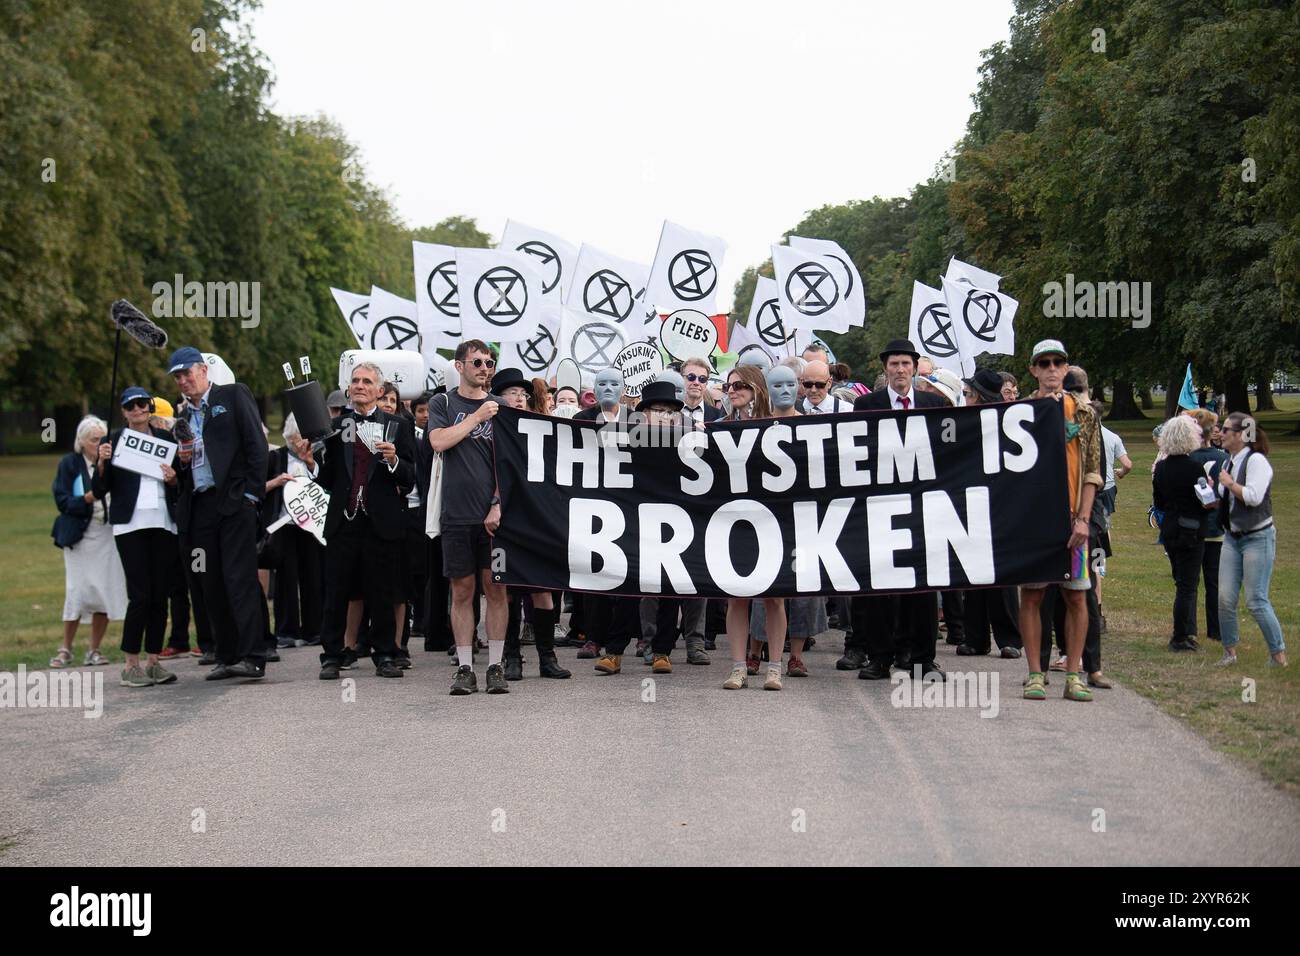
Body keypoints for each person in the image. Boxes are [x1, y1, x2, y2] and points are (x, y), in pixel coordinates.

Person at [295, 361, 414, 681]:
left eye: (367, 381)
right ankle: (332, 655)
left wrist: (394, 461)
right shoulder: (335, 427)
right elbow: (329, 479)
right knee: (336, 592)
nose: (360, 386)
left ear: (379, 390)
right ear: (349, 389)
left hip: (382, 522)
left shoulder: (397, 426)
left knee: (382, 593)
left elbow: (412, 478)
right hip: (343, 521)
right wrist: (310, 463)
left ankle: (386, 654)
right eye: (355, 381)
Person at [168, 346, 269, 682]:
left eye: (187, 373)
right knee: (209, 583)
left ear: (203, 370)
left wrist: (252, 495)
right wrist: (180, 465)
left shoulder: (232, 395)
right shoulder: (181, 419)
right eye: (178, 377)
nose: (183, 381)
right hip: (199, 506)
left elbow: (256, 445)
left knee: (239, 578)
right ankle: (226, 655)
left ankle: (254, 655)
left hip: (234, 501)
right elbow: (182, 467)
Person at [849, 339, 946, 681]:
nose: (900, 370)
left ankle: (922, 659)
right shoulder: (866, 406)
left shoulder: (935, 406)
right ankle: (879, 658)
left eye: (905, 364)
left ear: (915, 367)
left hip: (924, 509)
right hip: (881, 508)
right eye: (894, 365)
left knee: (923, 587)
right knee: (881, 589)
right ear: (885, 369)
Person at [1016, 341, 1102, 702]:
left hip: (1071, 519)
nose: (1052, 369)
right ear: (1034, 369)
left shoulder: (1083, 414)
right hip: (1034, 521)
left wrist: (1083, 519)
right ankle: (1035, 672)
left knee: (1078, 596)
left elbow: (1093, 472)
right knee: (1033, 594)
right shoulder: (1019, 413)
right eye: (1044, 363)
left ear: (1066, 368)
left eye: (1058, 362)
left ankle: (1074, 674)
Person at [427, 341, 513, 694]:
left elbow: (512, 464)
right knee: (461, 591)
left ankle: (495, 664)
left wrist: (498, 503)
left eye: (490, 362)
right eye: (477, 361)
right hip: (456, 514)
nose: (484, 367)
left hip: (494, 517)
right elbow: (439, 442)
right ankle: (464, 667)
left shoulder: (504, 407)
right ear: (460, 366)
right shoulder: (443, 403)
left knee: (496, 588)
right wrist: (477, 417)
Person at [92, 388, 181, 687]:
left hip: (163, 522)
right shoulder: (113, 441)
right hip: (130, 525)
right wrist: (102, 463)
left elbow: (179, 483)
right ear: (124, 411)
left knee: (160, 595)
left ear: (150, 408)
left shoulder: (166, 439)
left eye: (143, 404)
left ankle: (154, 659)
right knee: (140, 594)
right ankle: (131, 662)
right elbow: (101, 488)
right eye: (131, 406)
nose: (138, 409)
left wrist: (173, 479)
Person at [491, 367, 570, 680]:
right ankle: (511, 657)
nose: (519, 399)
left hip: (536, 518)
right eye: (512, 393)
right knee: (507, 589)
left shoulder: (541, 428)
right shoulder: (490, 428)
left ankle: (547, 657)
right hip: (505, 520)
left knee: (543, 590)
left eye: (522, 394)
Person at [718, 365, 789, 690]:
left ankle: (775, 667)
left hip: (774, 521)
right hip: (733, 521)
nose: (732, 390)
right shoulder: (716, 429)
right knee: (737, 596)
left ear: (757, 388)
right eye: (728, 386)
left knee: (774, 597)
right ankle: (738, 666)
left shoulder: (780, 427)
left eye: (740, 385)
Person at [50, 415, 123, 668]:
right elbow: (62, 500)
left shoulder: (113, 463)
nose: (99, 444)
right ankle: (65, 648)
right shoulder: (70, 464)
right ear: (82, 442)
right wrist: (89, 498)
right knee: (77, 591)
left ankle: (94, 649)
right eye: (94, 440)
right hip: (80, 535)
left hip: (107, 534)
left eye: (103, 439)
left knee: (103, 590)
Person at [1215, 413, 1285, 667]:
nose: (1220, 433)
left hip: (1258, 537)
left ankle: (1278, 655)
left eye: (1225, 430)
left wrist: (1230, 484)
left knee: (1256, 600)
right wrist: (1216, 491)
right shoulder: (1229, 461)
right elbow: (1227, 497)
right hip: (1232, 537)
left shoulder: (1257, 461)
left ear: (1242, 434)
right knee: (1224, 598)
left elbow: (1253, 497)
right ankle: (1230, 653)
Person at [266, 414, 323, 649]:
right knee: (286, 578)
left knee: (313, 576)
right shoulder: (276, 457)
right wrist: (278, 482)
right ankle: (286, 630)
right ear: (289, 436)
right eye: (297, 437)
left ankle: (314, 629)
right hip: (284, 525)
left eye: (304, 437)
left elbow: (324, 483)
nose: (301, 442)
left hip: (310, 526)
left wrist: (310, 464)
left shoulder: (315, 456)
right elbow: (261, 486)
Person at [1153, 416, 1209, 653]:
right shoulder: (1195, 468)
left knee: (1181, 581)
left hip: (1171, 527)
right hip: (1191, 529)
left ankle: (1184, 632)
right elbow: (1206, 500)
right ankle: (1180, 635)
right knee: (1188, 585)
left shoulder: (1162, 468)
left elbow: (1160, 502)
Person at [1187, 409, 1229, 643]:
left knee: (1190, 582)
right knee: (1214, 582)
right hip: (1215, 527)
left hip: (1193, 526)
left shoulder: (1189, 458)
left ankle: (1190, 628)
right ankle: (1216, 629)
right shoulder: (1224, 458)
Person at [679, 356, 723, 426]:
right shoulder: (669, 413)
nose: (696, 382)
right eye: (691, 377)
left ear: (706, 384)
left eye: (702, 379)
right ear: (681, 379)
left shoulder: (719, 416)